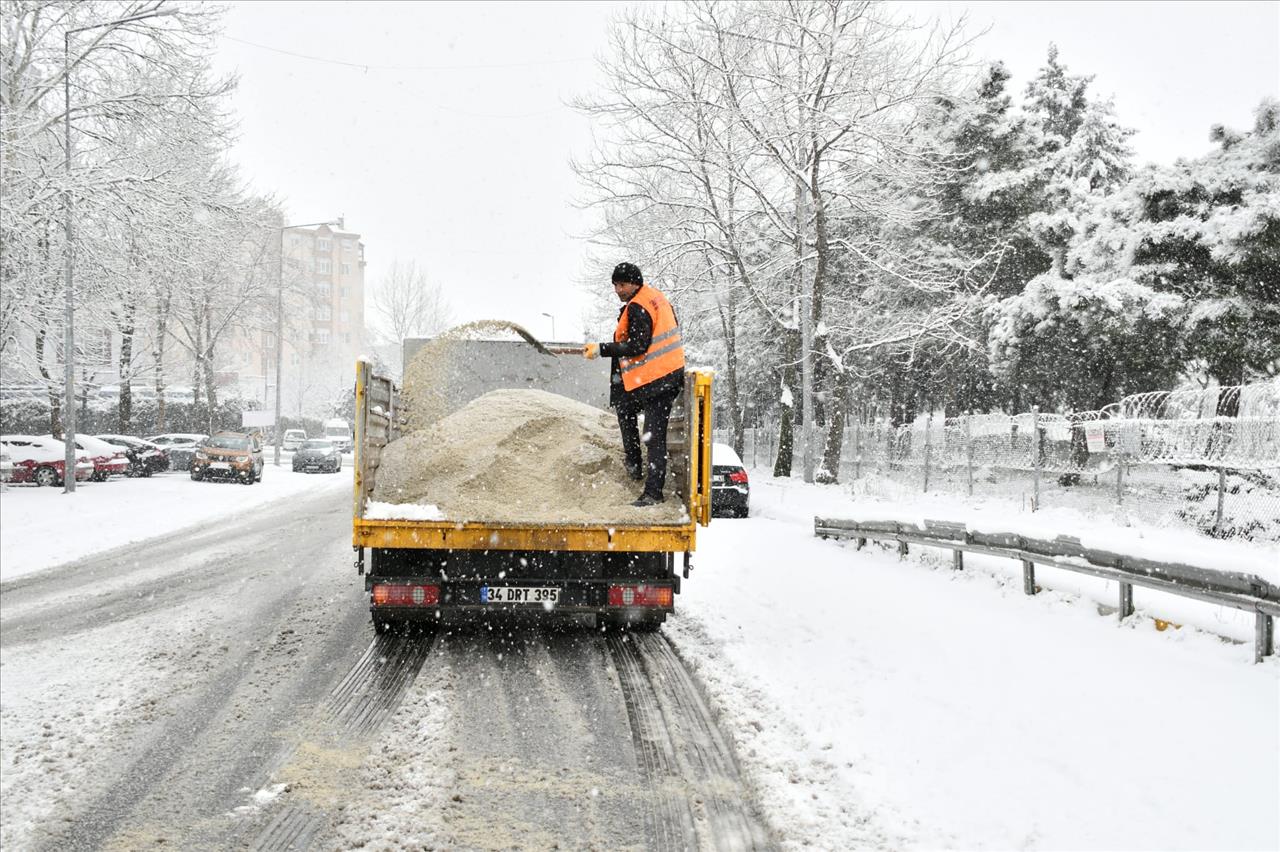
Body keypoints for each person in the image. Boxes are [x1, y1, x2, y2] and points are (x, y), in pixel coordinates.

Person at [583, 262, 685, 507]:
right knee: (625, 408)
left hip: (659, 379)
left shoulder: (639, 306)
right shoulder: (653, 298)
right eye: (615, 285)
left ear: (635, 283)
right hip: (659, 376)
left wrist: (601, 349)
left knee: (653, 436)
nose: (618, 290)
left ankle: (653, 493)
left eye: (622, 284)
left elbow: (638, 346)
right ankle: (634, 465)